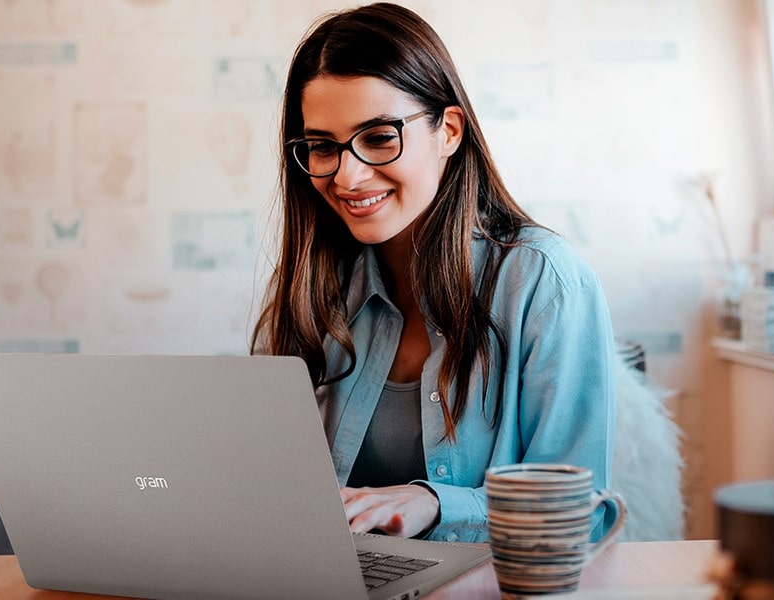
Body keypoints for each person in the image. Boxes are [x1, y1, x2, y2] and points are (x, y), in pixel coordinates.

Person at [252, 2, 616, 544]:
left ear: (448, 131)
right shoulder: (313, 285)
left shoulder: (544, 283)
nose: (348, 177)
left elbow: (577, 512)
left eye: (378, 137)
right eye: (323, 147)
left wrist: (435, 502)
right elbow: (266, 489)